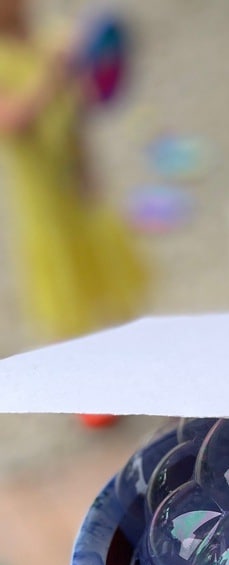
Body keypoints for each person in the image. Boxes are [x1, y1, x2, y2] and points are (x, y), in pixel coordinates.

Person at [0, 0, 147, 345]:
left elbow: (78, 110)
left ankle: (126, 345)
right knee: (66, 294)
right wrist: (53, 76)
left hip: (78, 185)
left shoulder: (49, 40)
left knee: (109, 277)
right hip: (44, 199)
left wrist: (92, 67)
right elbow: (13, 122)